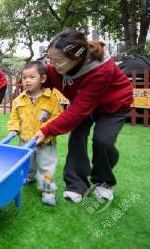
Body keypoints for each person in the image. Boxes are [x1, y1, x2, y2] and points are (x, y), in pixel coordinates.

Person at [33, 30, 133, 203]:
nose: (52, 65)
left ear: (77, 59)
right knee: (77, 137)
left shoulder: (102, 70)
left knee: (103, 142)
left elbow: (78, 110)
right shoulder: (59, 68)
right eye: (50, 59)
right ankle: (76, 185)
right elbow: (43, 78)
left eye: (58, 62)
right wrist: (30, 79)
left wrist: (47, 129)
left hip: (113, 105)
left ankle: (103, 182)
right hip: (83, 102)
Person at [8, 61, 63, 206]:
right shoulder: (18, 100)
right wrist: (13, 128)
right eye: (24, 77)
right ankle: (29, 177)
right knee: (27, 164)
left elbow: (58, 118)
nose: (27, 81)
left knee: (46, 168)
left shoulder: (51, 99)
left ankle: (48, 190)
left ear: (43, 79)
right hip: (25, 141)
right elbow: (14, 117)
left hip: (46, 142)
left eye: (32, 77)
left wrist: (47, 131)